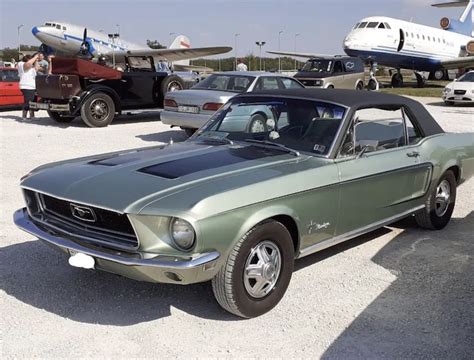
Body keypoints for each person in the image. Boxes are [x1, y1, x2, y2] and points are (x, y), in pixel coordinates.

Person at [17, 53, 39, 119]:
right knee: (27, 102)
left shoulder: (31, 68)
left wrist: (36, 60)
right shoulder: (21, 64)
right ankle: (24, 117)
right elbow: (28, 64)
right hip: (26, 86)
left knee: (32, 102)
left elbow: (37, 68)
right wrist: (35, 57)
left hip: (32, 87)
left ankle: (32, 116)